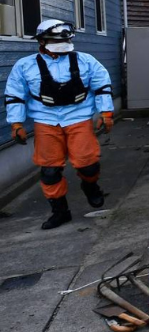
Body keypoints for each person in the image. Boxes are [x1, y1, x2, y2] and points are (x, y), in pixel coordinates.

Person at [4, 20, 113, 230]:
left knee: (88, 164)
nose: (61, 44)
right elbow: (15, 94)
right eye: (55, 40)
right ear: (42, 41)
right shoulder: (25, 66)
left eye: (66, 39)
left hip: (78, 117)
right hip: (45, 121)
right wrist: (16, 123)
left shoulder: (86, 61)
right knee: (50, 171)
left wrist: (106, 113)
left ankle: (90, 185)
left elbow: (102, 86)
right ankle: (60, 211)